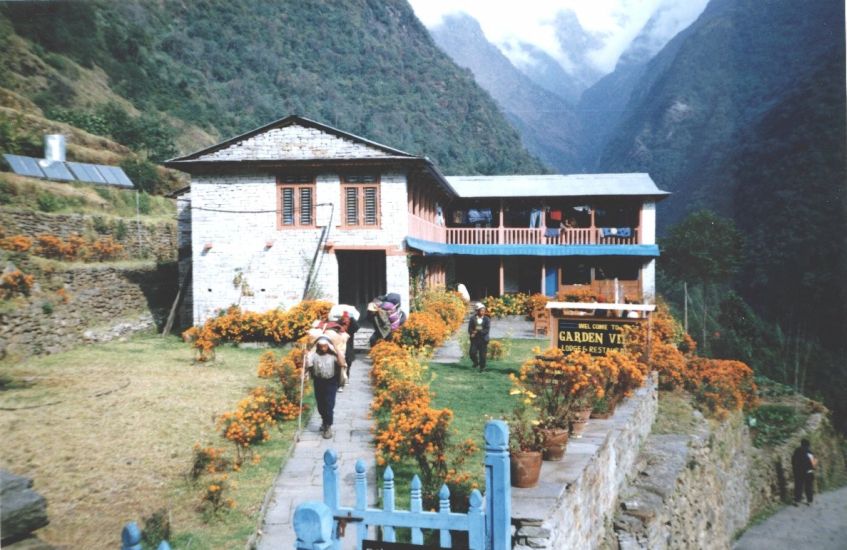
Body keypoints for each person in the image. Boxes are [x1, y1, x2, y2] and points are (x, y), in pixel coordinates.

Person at [306, 336, 341, 439]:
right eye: (320, 346)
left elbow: (342, 363)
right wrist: (305, 355)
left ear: (328, 346)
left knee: (329, 404)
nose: (323, 348)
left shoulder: (333, 355)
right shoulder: (314, 355)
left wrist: (337, 349)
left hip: (331, 382)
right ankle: (324, 421)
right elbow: (307, 364)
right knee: (321, 405)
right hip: (319, 381)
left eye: (325, 346)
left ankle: (328, 426)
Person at [791, 438, 817, 505]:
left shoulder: (796, 451)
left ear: (801, 444)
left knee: (798, 486)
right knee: (808, 486)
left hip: (798, 472)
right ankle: (809, 501)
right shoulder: (809, 452)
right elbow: (813, 463)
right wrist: (813, 469)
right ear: (808, 445)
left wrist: (795, 469)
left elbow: (793, 461)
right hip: (808, 472)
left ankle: (797, 500)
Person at [467, 303, 491, 372]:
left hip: (483, 339)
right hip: (474, 339)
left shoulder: (487, 319)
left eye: (484, 310)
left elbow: (486, 330)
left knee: (482, 355)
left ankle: (482, 367)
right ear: (477, 311)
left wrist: (478, 330)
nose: (483, 312)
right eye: (481, 310)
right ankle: (476, 362)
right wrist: (472, 333)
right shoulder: (472, 318)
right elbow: (470, 328)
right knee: (472, 353)